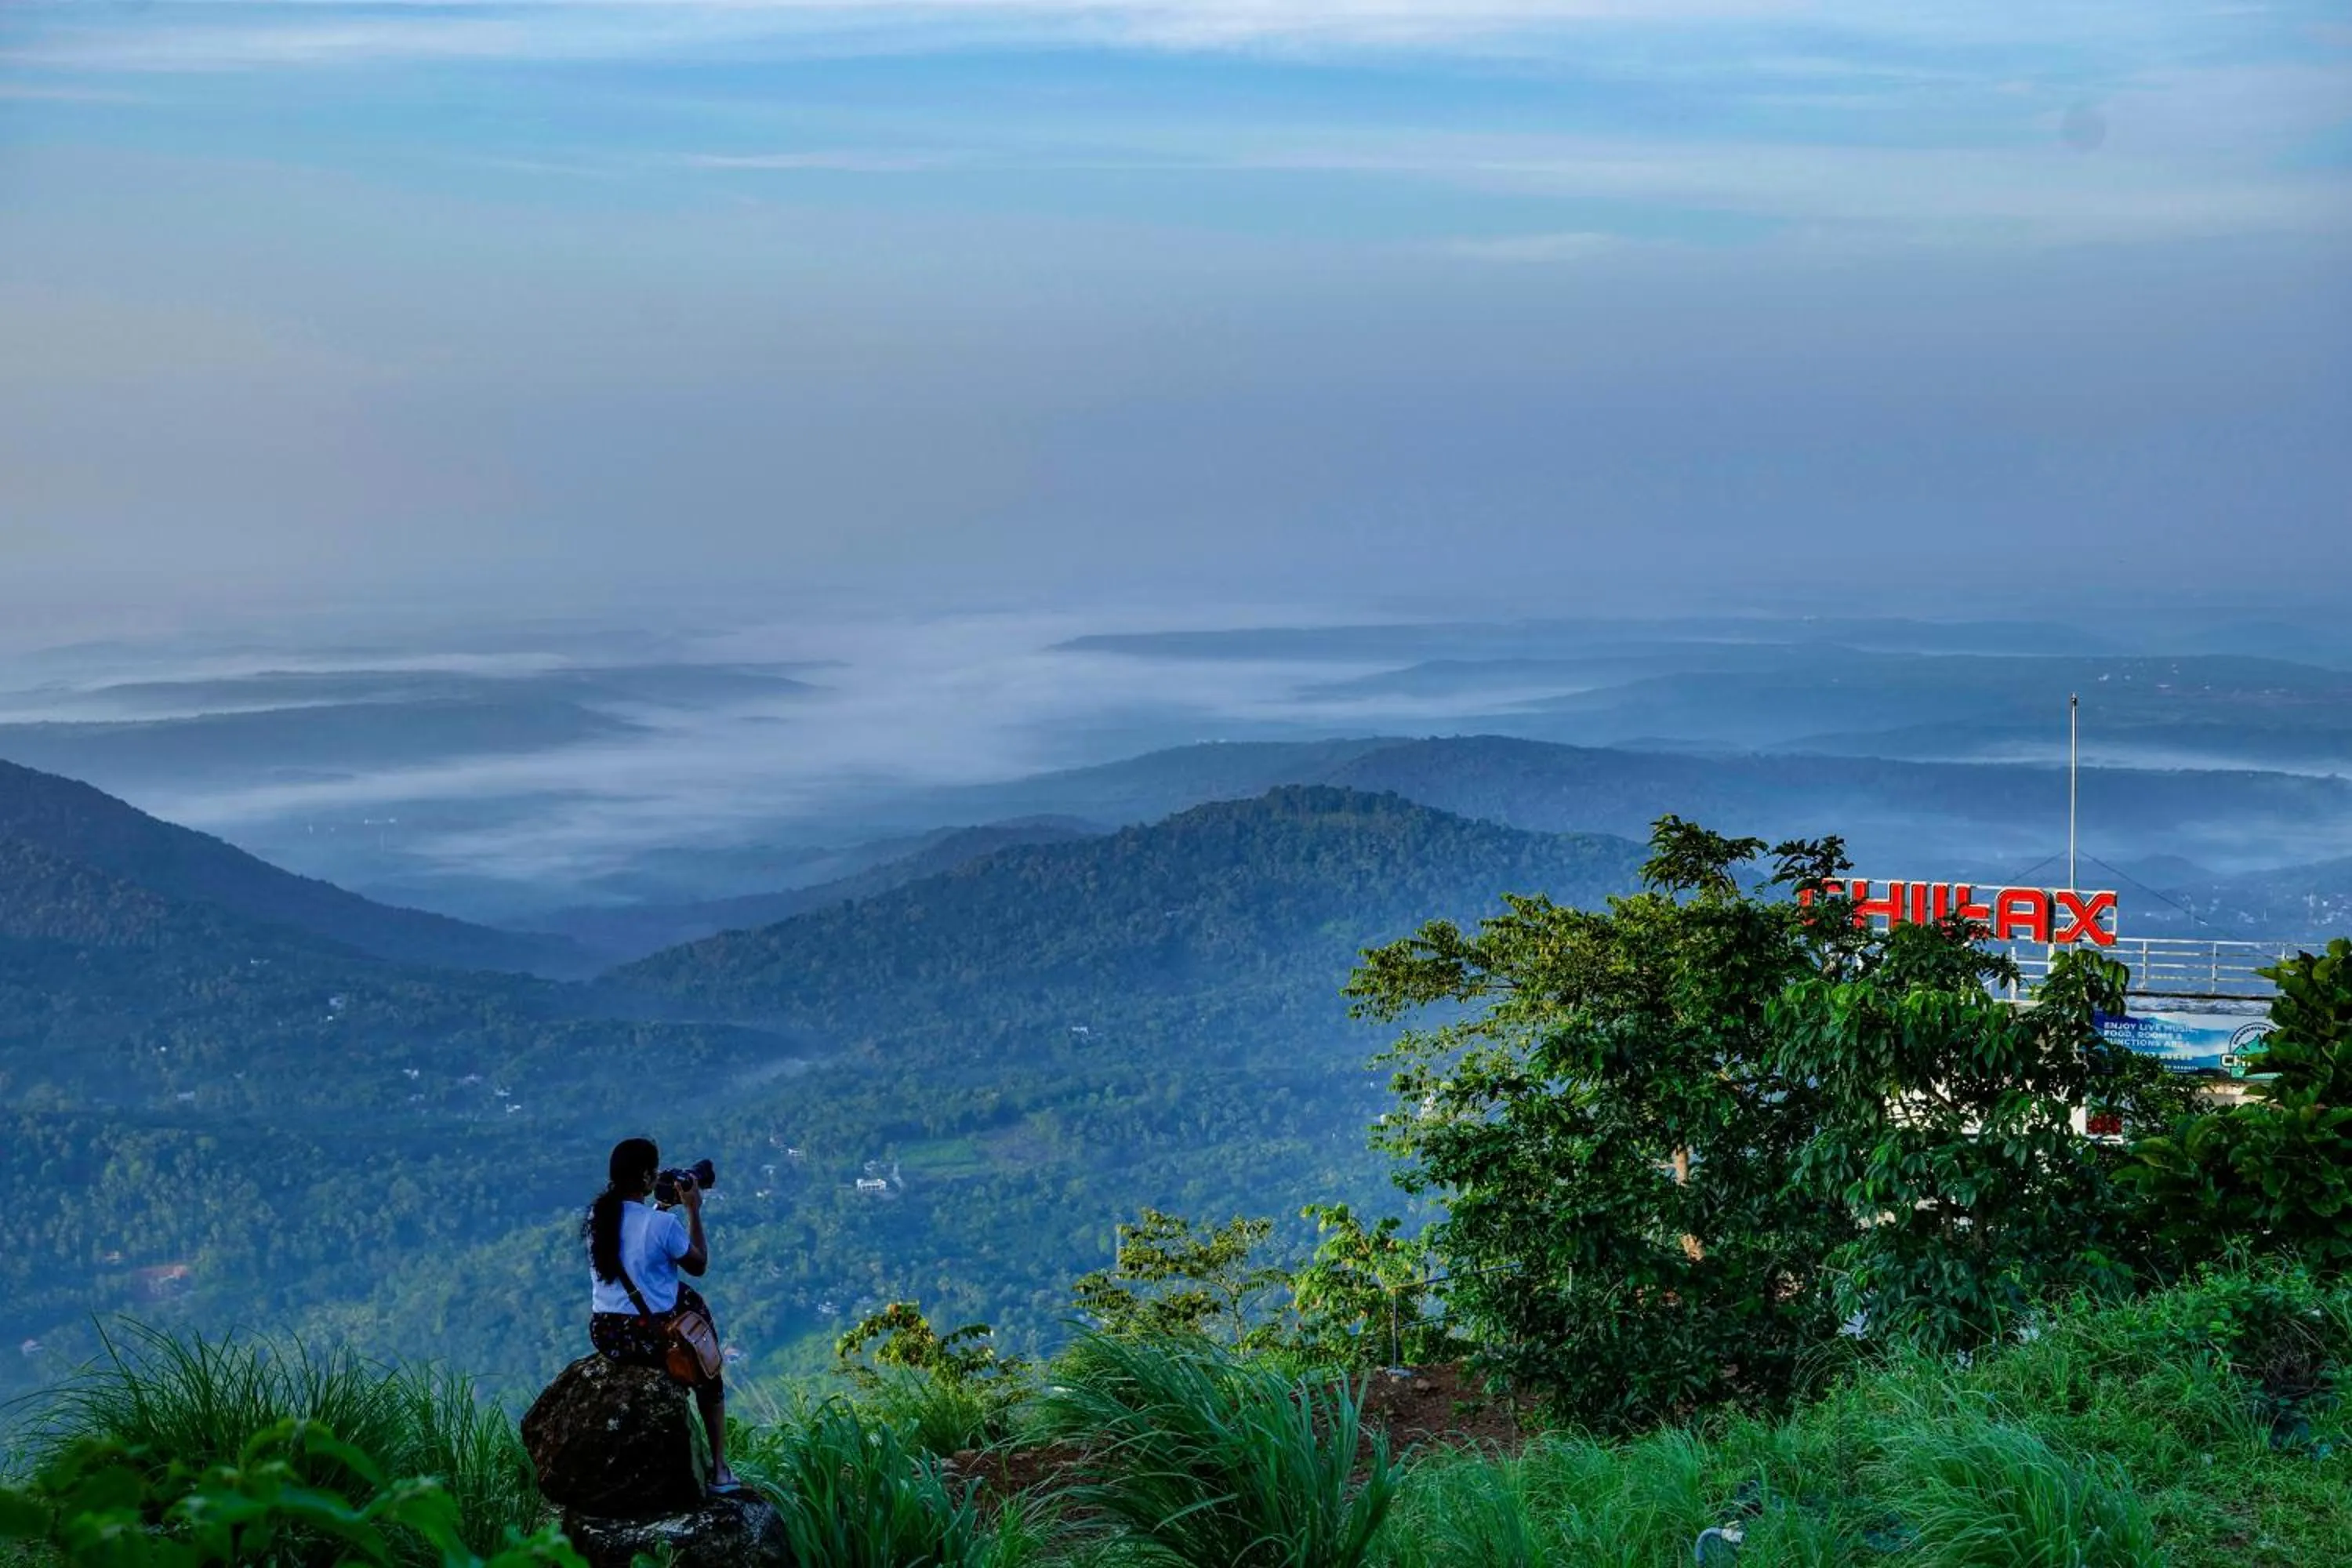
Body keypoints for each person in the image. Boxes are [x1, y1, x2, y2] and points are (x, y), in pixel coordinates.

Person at [583, 1136, 740, 1495]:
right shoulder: (662, 1226)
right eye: (653, 1172)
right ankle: (719, 1470)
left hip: (607, 1333)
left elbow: (636, 1249)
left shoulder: (598, 1216)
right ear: (645, 1177)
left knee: (679, 1295)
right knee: (699, 1329)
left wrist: (660, 1209)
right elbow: (698, 1264)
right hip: (649, 1337)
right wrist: (693, 1209)